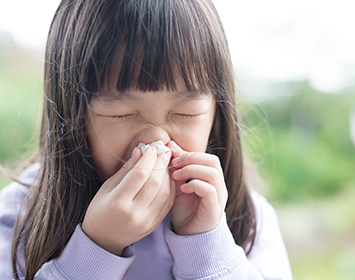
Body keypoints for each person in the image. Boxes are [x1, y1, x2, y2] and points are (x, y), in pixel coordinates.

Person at [0, 0, 293, 279]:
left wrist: (206, 245)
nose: (157, 139)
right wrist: (97, 246)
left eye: (185, 112)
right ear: (72, 114)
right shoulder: (18, 216)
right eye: (121, 113)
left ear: (217, 111)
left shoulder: (248, 218)